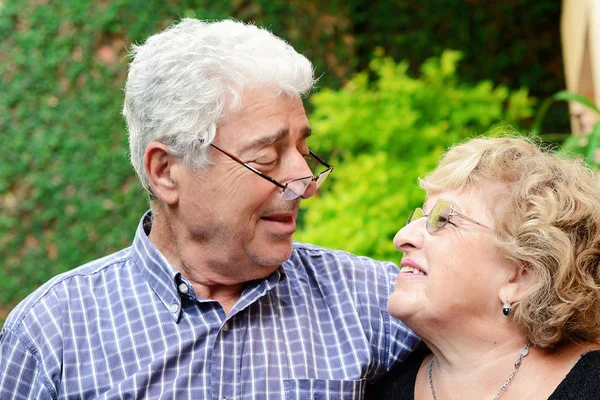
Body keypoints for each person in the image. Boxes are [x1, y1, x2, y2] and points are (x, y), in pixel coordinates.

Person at [0, 19, 419, 399]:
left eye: (305, 152)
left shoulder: (373, 301)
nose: (305, 183)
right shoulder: (52, 335)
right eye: (267, 158)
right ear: (165, 172)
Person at [368, 136, 600, 399]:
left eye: (443, 220)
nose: (402, 237)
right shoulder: (381, 388)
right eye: (419, 217)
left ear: (522, 276)